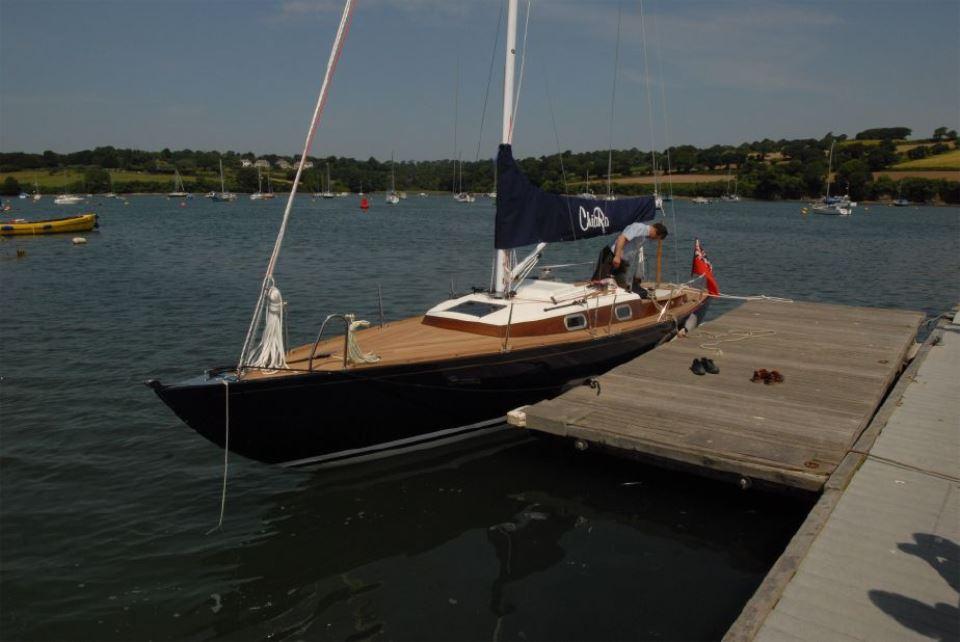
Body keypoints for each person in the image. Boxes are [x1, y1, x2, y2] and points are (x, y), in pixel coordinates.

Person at [591, 221, 668, 290]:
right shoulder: (639, 228)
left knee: (620, 287)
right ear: (655, 231)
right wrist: (617, 256)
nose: (654, 240)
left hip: (622, 262)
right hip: (611, 255)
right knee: (598, 283)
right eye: (656, 238)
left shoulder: (645, 237)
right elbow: (621, 238)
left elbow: (632, 249)